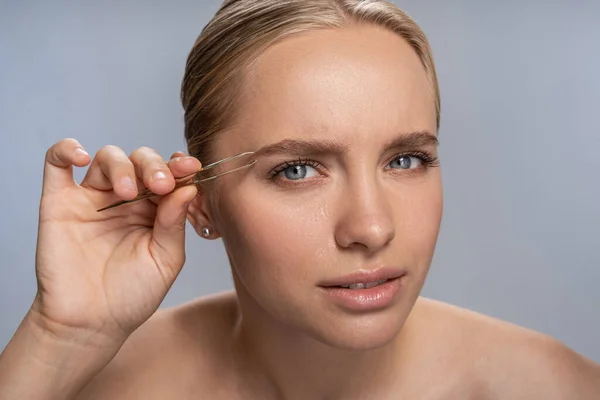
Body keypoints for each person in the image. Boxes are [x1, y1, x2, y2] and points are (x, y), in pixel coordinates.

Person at [1, 0, 599, 398]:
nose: (370, 227)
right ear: (200, 200)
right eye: (298, 170)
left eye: (406, 160)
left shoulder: (550, 387)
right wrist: (60, 339)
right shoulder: (97, 384)